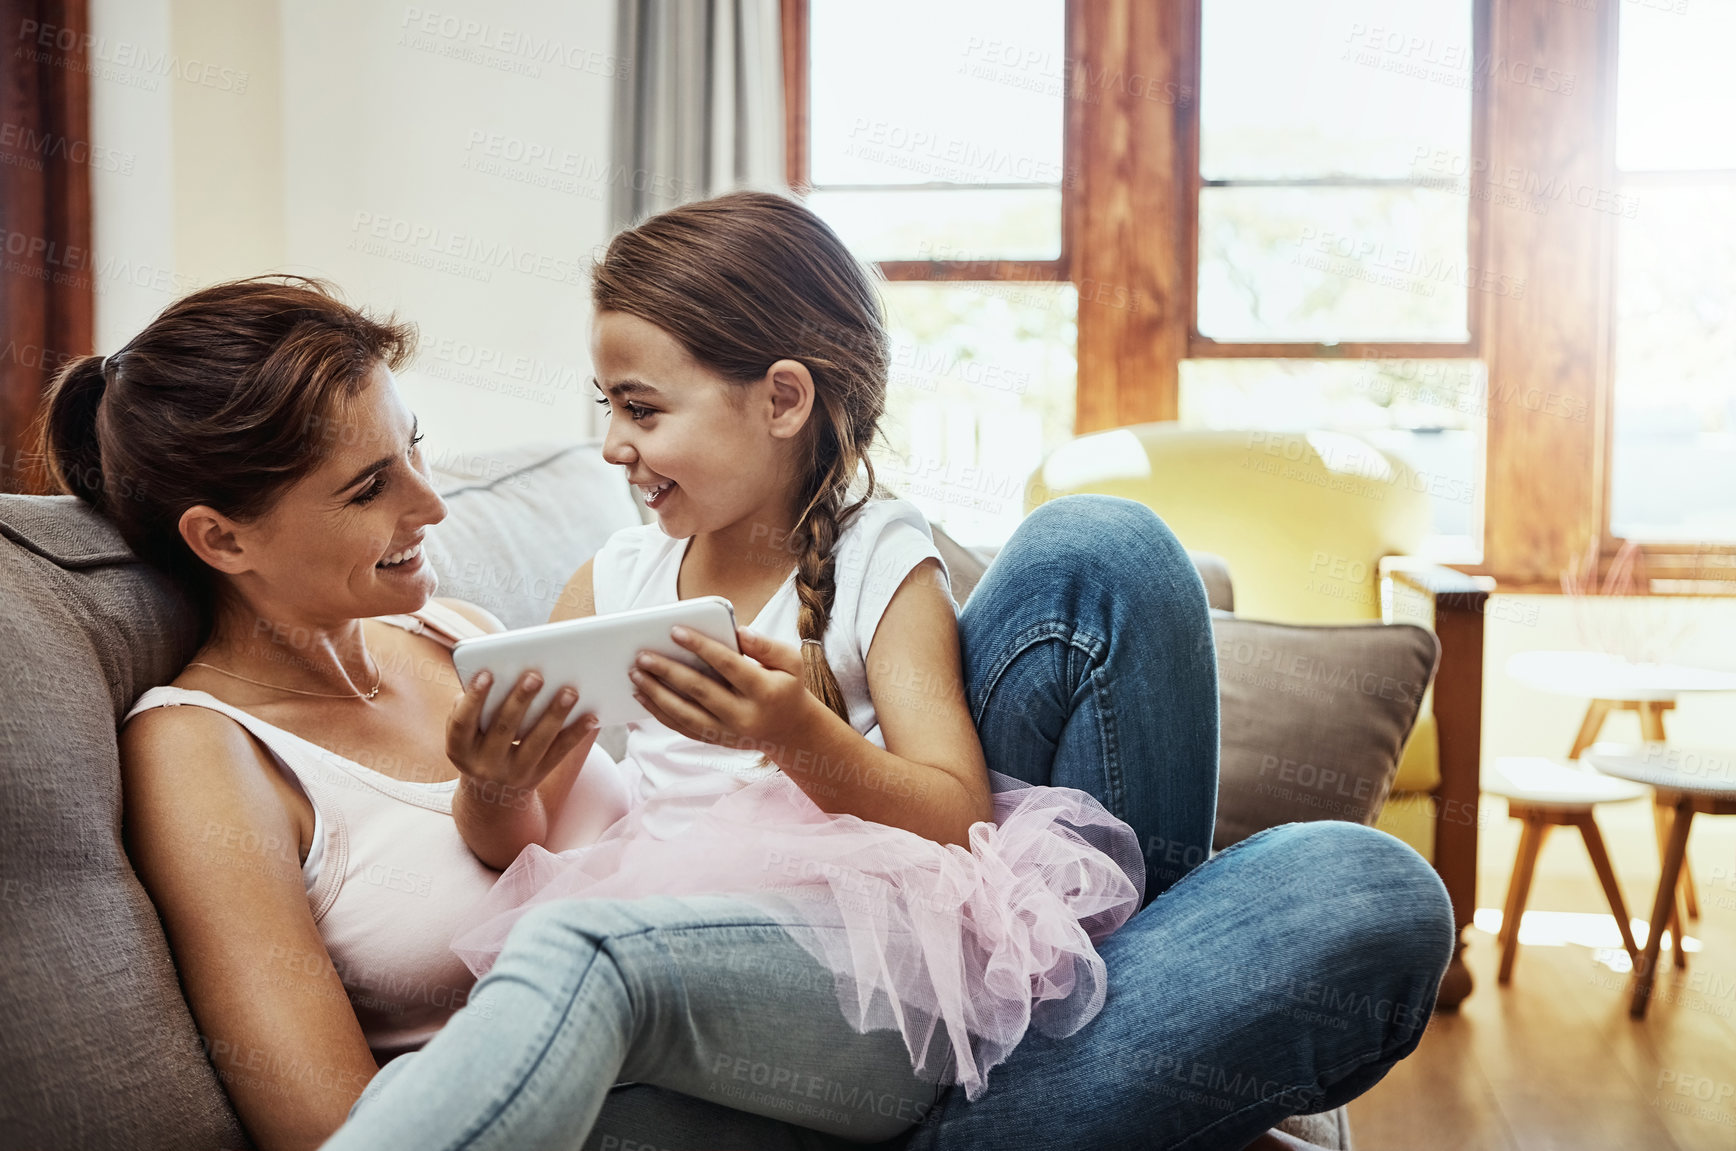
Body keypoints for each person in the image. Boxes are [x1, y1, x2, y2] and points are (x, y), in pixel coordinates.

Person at [40, 232, 1450, 1151]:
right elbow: (331, 1118)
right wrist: (493, 797)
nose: (432, 502)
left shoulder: (463, 632)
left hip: (841, 973)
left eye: (422, 451)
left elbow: (849, 804)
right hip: (647, 1090)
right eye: (371, 487)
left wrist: (753, 739)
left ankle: (1083, 1053)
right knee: (589, 959)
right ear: (220, 540)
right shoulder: (199, 750)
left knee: (1364, 887)